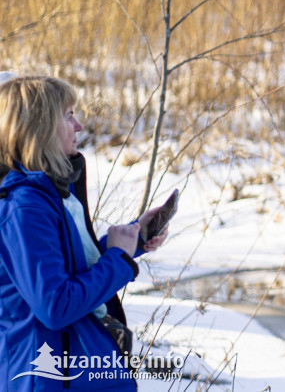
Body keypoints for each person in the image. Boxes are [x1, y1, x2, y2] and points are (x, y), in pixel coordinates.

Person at [0, 76, 169, 390]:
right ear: (39, 127)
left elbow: (68, 270)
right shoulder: (24, 208)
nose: (78, 126)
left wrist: (133, 241)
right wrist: (118, 259)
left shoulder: (52, 194)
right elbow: (55, 306)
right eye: (68, 116)